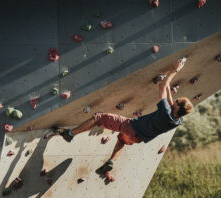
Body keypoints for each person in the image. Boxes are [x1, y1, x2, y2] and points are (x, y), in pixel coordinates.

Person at [44, 58, 193, 175]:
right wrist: (168, 80)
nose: (176, 99)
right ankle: (110, 162)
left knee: (99, 118)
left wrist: (174, 70)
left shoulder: (166, 112)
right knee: (121, 140)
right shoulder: (177, 120)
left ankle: (71, 133)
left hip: (131, 127)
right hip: (138, 138)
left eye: (178, 101)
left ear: (177, 108)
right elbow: (168, 94)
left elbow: (163, 88)